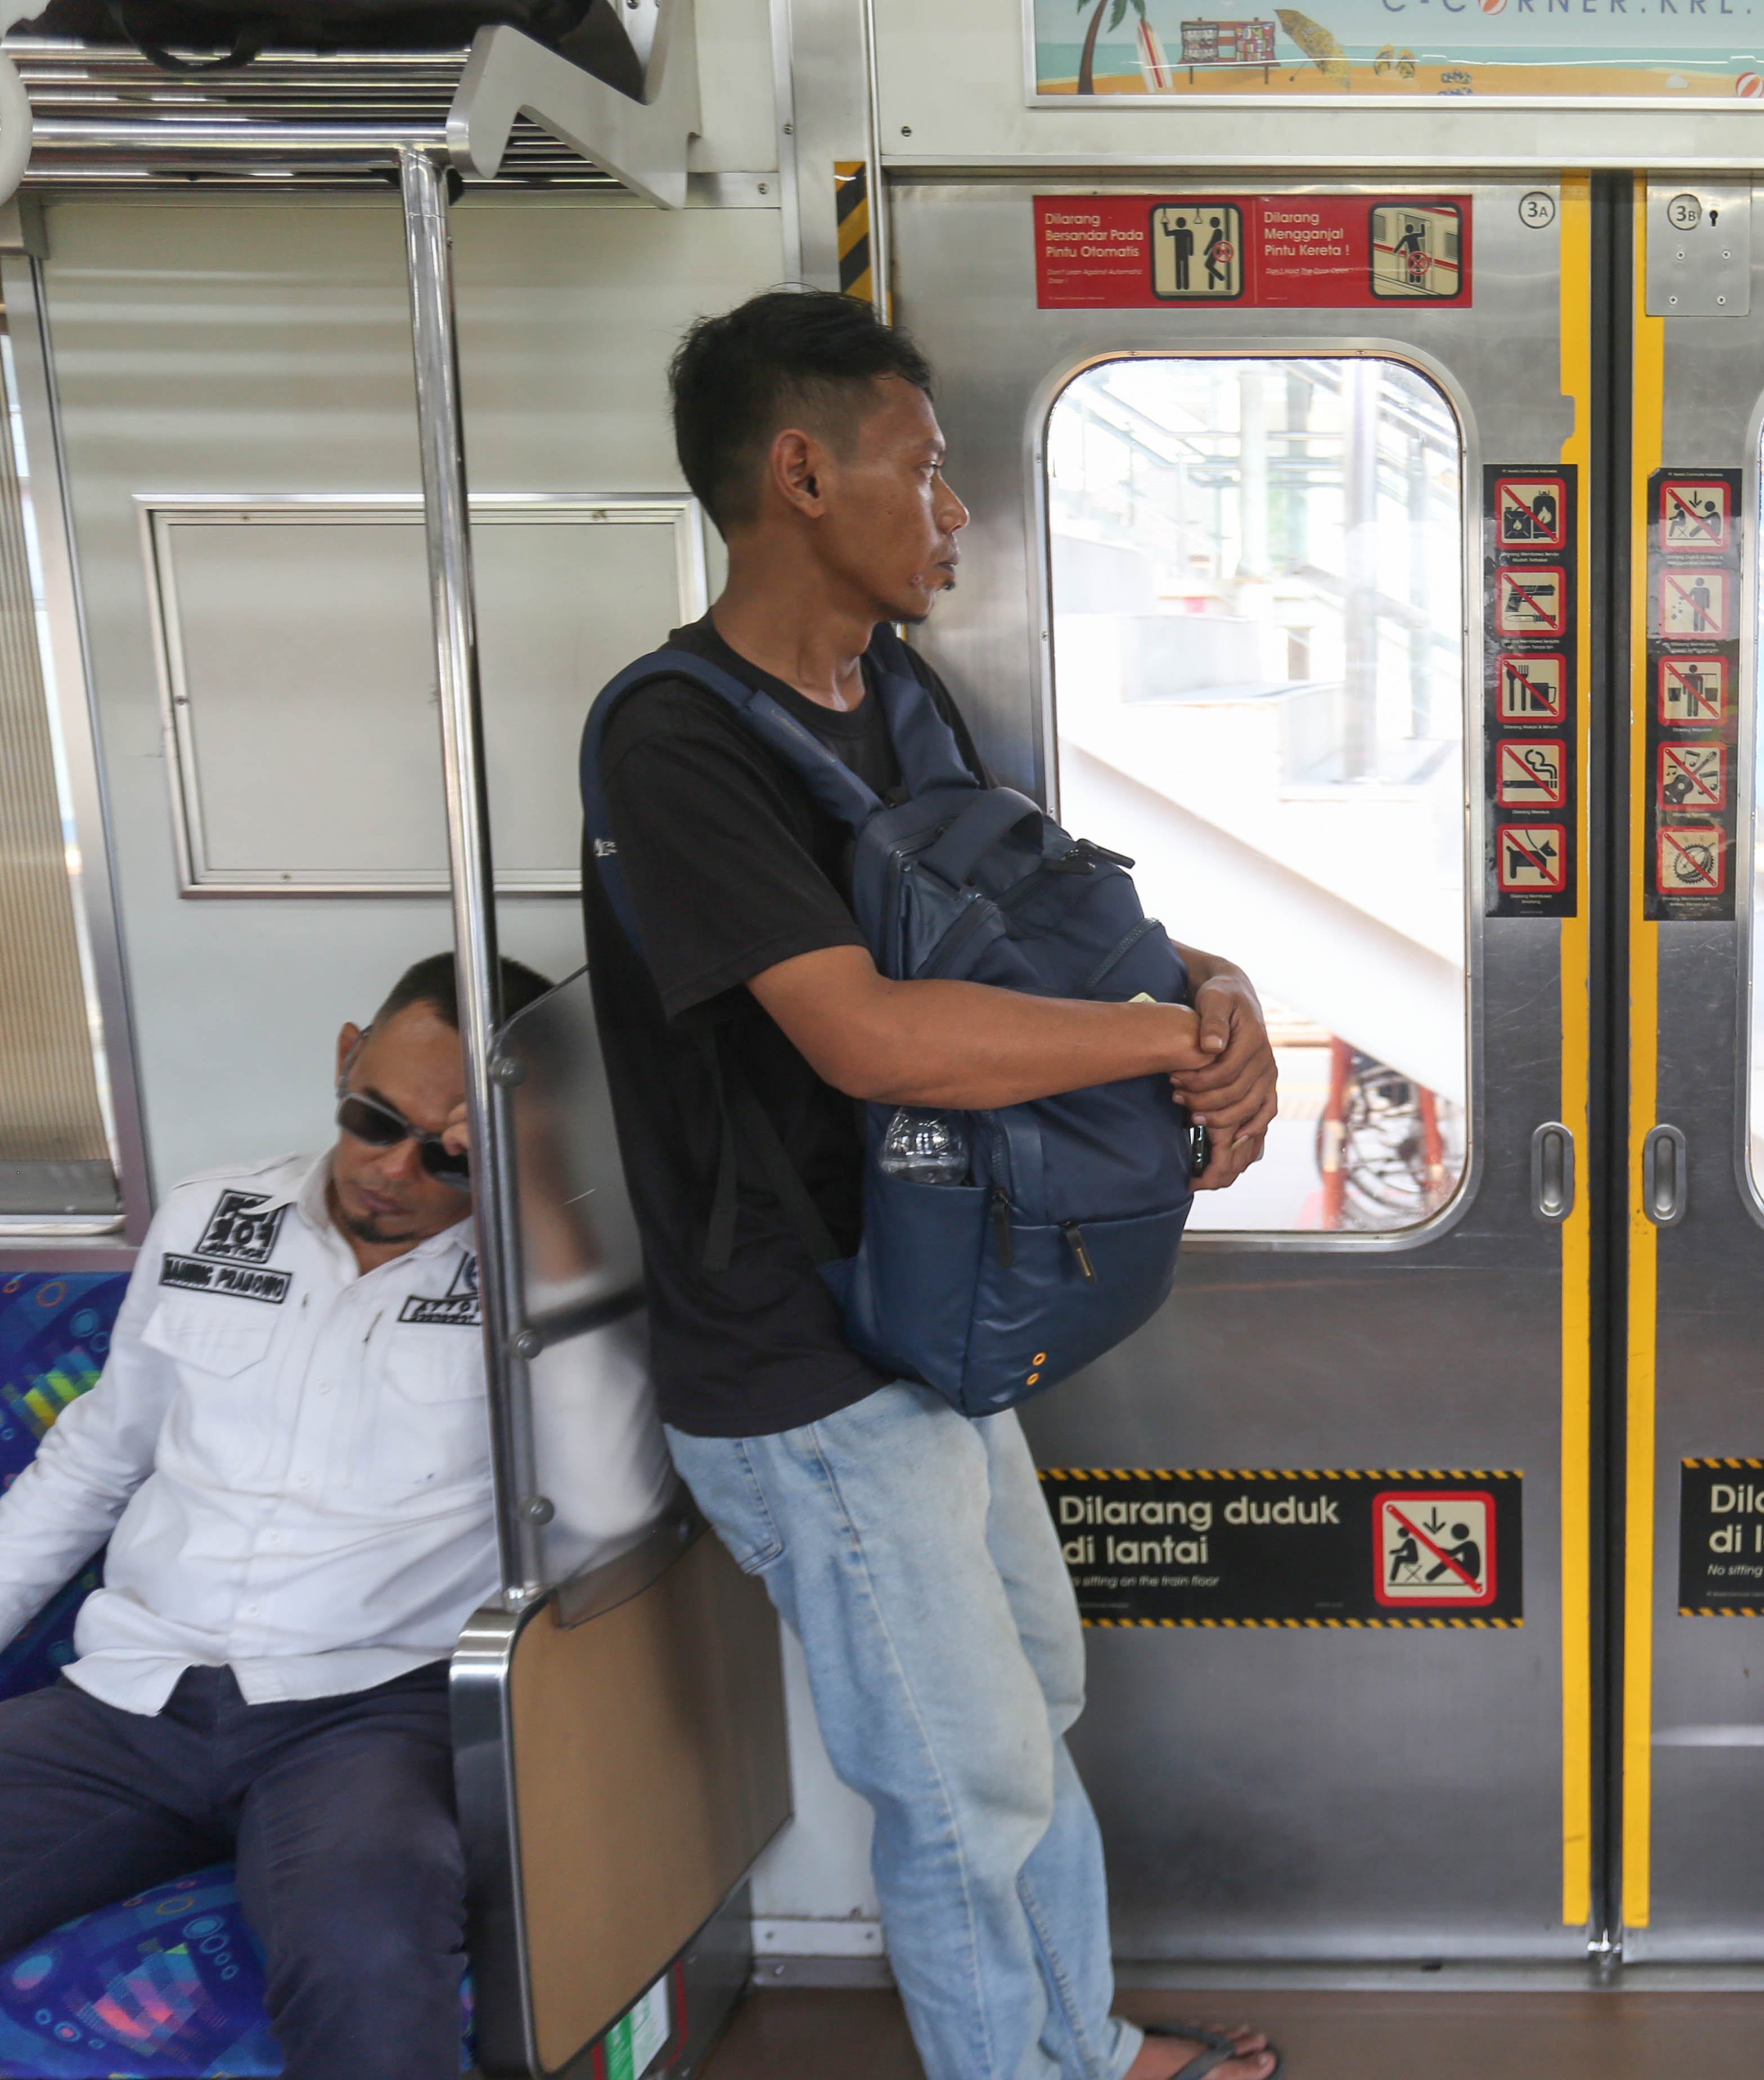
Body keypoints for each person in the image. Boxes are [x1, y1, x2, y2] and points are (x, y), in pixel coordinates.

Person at [585, 288, 1278, 2080]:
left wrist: (1211, 994)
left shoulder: (899, 696)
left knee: (1029, 1708)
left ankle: (1076, 2045)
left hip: (925, 1311)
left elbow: (1030, 933)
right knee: (962, 1788)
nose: (954, 511)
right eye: (926, 468)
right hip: (799, 1362)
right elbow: (870, 1038)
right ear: (802, 474)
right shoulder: (675, 740)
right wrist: (1159, 1041)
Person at [0, 952, 550, 2079]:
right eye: (374, 1120)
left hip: (364, 1714)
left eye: (449, 1152)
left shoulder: (542, 1277)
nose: (392, 1170)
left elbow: (605, 1513)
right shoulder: (211, 1218)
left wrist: (534, 1194)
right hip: (129, 1697)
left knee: (366, 1949)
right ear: (346, 1060)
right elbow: (96, 1458)